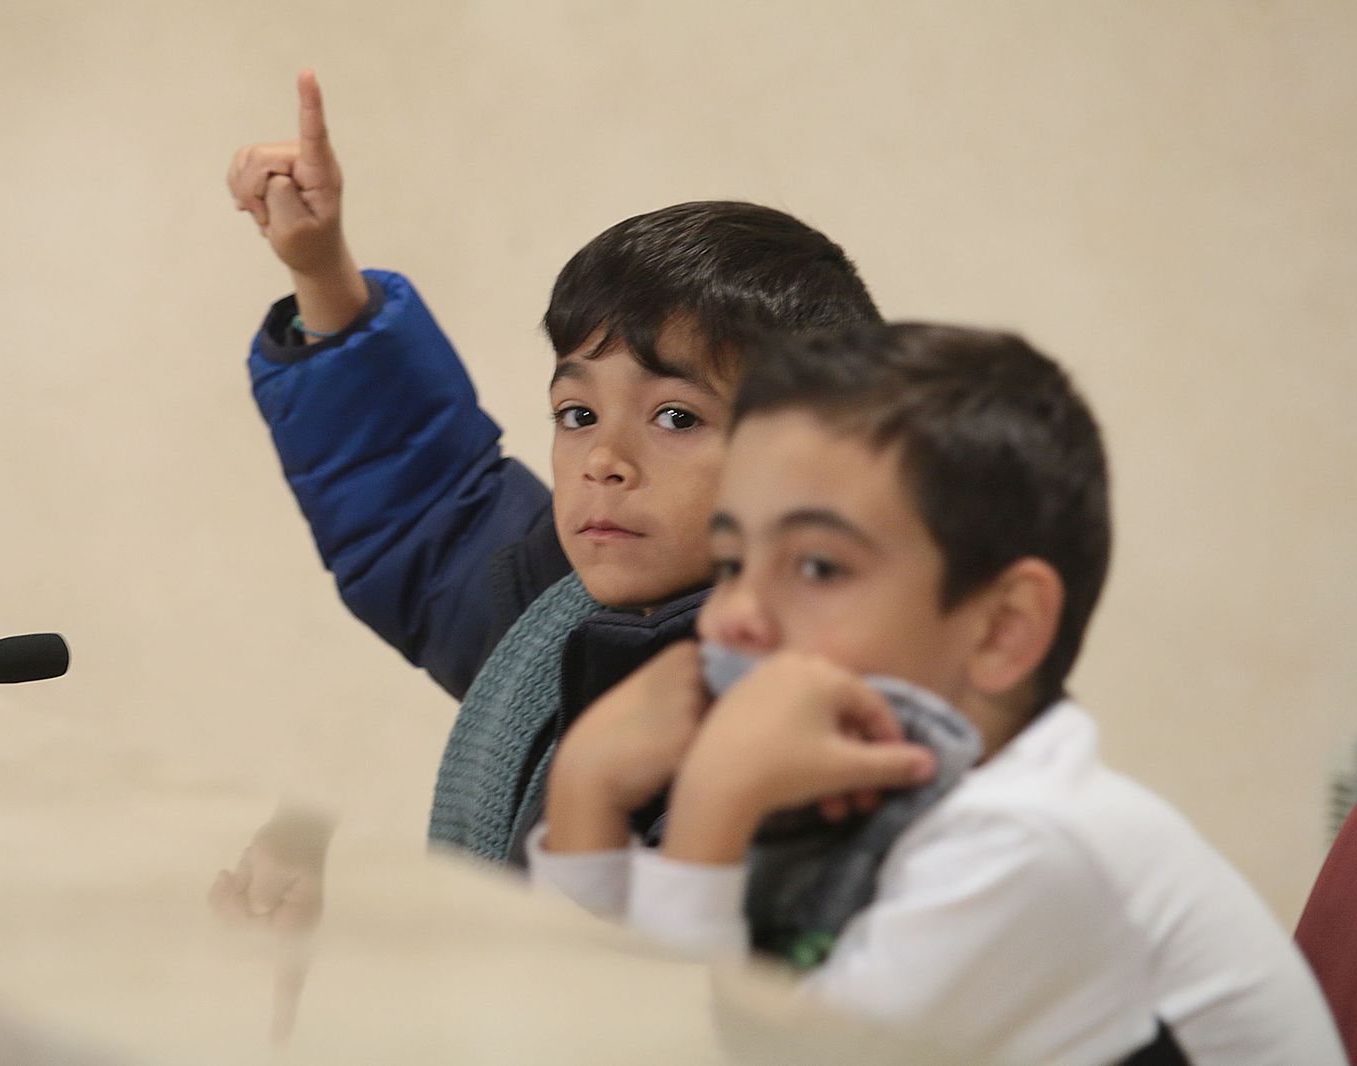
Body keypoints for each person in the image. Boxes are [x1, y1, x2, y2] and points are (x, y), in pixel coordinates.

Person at [529, 325, 1347, 1065]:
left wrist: (711, 805)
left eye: (818, 567)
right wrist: (587, 791)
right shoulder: (866, 792)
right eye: (733, 561)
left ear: (1002, 630)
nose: (731, 616)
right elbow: (572, 1031)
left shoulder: (1026, 848)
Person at [225, 71, 881, 865]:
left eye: (676, 417)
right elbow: (428, 511)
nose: (604, 461)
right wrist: (323, 273)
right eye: (578, 415)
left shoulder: (803, 728)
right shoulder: (556, 608)